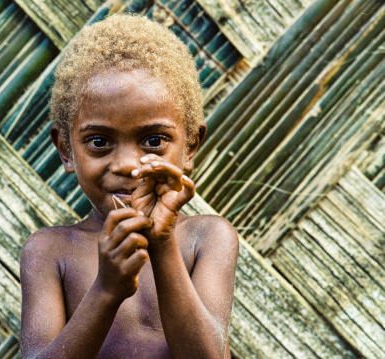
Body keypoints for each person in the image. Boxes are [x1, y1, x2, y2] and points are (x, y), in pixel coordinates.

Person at [20, 14, 239, 359]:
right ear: (65, 149)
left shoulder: (208, 238)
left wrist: (162, 242)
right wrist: (106, 290)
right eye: (98, 141)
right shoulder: (49, 251)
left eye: (153, 140)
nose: (127, 164)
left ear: (191, 146)